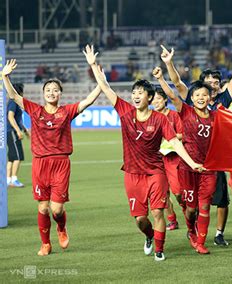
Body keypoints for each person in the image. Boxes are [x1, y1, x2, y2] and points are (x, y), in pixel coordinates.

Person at [84, 45, 203, 262]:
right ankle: (149, 236)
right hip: (132, 174)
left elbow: (175, 144)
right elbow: (106, 88)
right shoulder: (125, 112)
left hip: (156, 172)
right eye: (134, 93)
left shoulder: (160, 120)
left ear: (149, 97)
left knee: (158, 212)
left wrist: (192, 162)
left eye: (140, 93)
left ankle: (159, 249)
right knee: (140, 219)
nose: (136, 96)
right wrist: (92, 64)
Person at [2, 59, 102, 256]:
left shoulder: (66, 112)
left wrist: (97, 74)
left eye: (55, 89)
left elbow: (89, 100)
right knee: (43, 208)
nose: (51, 92)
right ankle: (45, 243)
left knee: (56, 210)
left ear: (60, 94)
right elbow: (13, 95)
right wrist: (5, 75)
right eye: (48, 89)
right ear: (43, 93)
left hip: (61, 163)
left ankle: (61, 228)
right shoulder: (35, 109)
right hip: (40, 164)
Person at [160, 39, 232, 246]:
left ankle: (218, 234)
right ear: (199, 87)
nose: (213, 84)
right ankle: (192, 229)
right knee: (191, 205)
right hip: (191, 160)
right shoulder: (191, 102)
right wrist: (169, 64)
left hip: (215, 159)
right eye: (209, 81)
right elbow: (177, 85)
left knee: (221, 200)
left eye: (216, 81)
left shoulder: (222, 101)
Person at [152, 70, 216, 254]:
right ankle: (190, 230)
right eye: (197, 95)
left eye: (204, 95)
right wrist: (160, 79)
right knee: (191, 209)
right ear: (192, 98)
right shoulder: (185, 111)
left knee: (204, 206)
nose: (201, 98)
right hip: (187, 168)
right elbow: (172, 95)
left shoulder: (216, 117)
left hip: (209, 168)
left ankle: (201, 242)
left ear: (210, 98)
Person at [150, 83, 185, 231]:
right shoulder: (150, 117)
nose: (155, 102)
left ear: (165, 100)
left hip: (173, 158)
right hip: (157, 160)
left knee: (178, 192)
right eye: (153, 100)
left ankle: (188, 214)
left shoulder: (173, 115)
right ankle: (172, 220)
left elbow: (183, 134)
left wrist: (168, 137)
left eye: (158, 99)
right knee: (163, 193)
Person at [6, 83, 29, 188]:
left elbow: (17, 119)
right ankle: (14, 179)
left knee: (11, 158)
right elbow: (10, 117)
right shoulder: (13, 102)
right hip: (12, 131)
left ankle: (8, 180)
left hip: (11, 131)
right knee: (18, 157)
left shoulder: (13, 102)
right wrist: (18, 131)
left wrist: (24, 129)